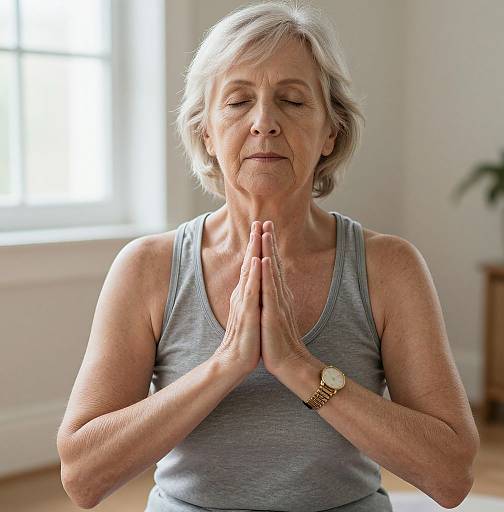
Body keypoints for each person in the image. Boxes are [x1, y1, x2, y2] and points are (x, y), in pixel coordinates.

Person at [56, 1, 480, 511]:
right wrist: (225, 365)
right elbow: (82, 476)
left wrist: (301, 368)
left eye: (293, 101)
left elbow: (451, 474)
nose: (264, 122)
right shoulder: (148, 268)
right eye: (237, 101)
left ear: (331, 131)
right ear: (206, 132)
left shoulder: (388, 267)